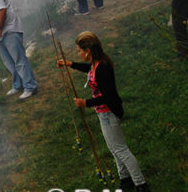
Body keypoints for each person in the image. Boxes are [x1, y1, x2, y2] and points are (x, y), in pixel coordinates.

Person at [59, 31, 149, 192]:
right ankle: (125, 179)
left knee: (120, 149)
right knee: (114, 148)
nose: (78, 53)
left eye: (79, 50)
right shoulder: (95, 64)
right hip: (103, 113)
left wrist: (85, 103)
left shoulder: (102, 68)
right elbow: (89, 70)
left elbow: (108, 96)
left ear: (87, 51)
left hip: (109, 113)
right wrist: (70, 64)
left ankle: (141, 184)